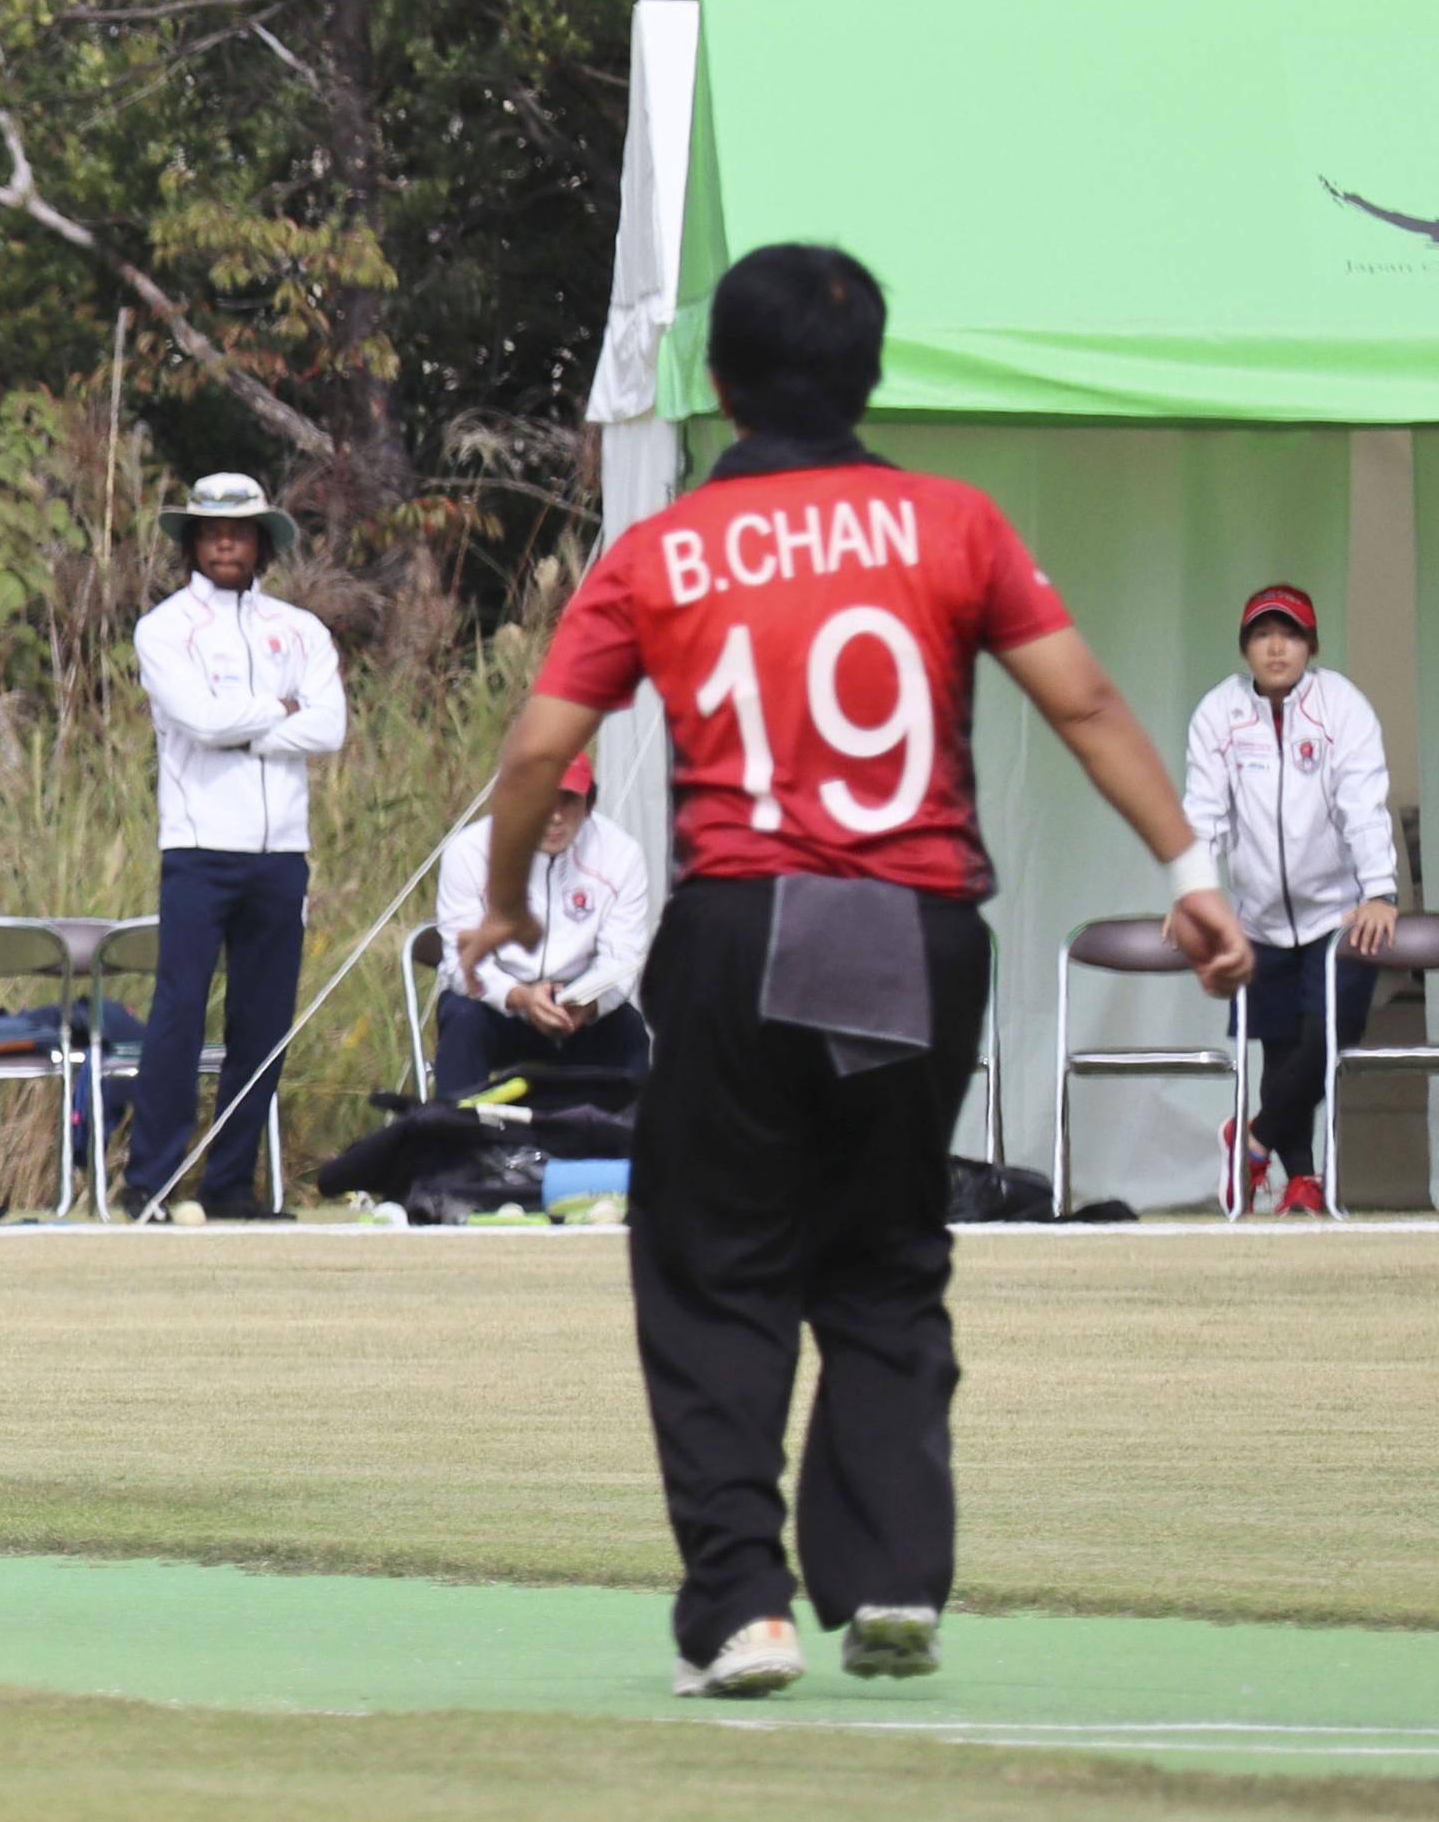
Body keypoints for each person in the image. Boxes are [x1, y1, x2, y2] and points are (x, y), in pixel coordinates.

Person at [462, 242, 1248, 1700]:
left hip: (746, 923)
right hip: (915, 929)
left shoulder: (665, 550)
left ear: (719, 382)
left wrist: (503, 898)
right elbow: (1083, 700)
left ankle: (742, 1606)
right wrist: (1189, 874)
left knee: (713, 1263)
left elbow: (537, 751)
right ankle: (890, 1573)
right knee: (885, 1250)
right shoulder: (953, 522)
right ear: (870, 372)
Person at [128, 473, 345, 1219]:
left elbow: (329, 726)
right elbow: (198, 719)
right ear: (192, 541)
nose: (226, 543)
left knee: (263, 1023)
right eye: (213, 531)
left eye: (241, 530)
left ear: (262, 542)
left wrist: (248, 725)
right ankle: (151, 1183)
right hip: (198, 846)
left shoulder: (300, 628)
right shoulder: (165, 627)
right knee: (179, 1013)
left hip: (281, 851)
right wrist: (280, 709)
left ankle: (228, 1185)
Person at [1183, 582, 1400, 1218]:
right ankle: (1301, 1180)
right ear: (1244, 648)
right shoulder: (1219, 713)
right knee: (1280, 1050)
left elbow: (1363, 801)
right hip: (1258, 920)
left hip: (1338, 915)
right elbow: (1204, 813)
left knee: (1333, 1033)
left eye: (1290, 634)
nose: (1276, 647)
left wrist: (1379, 890)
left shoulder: (1342, 706)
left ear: (1312, 646)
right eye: (1262, 635)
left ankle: (1251, 1140)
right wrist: (1196, 894)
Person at [427, 752, 655, 1100]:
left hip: (579, 1006)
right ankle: (454, 1132)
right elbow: (463, 965)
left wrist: (587, 1006)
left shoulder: (621, 854)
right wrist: (520, 997)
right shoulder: (469, 852)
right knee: (463, 1019)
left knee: (628, 1030)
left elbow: (622, 959)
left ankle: (627, 1133)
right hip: (495, 1004)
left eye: (569, 799)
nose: (555, 815)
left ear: (589, 805)